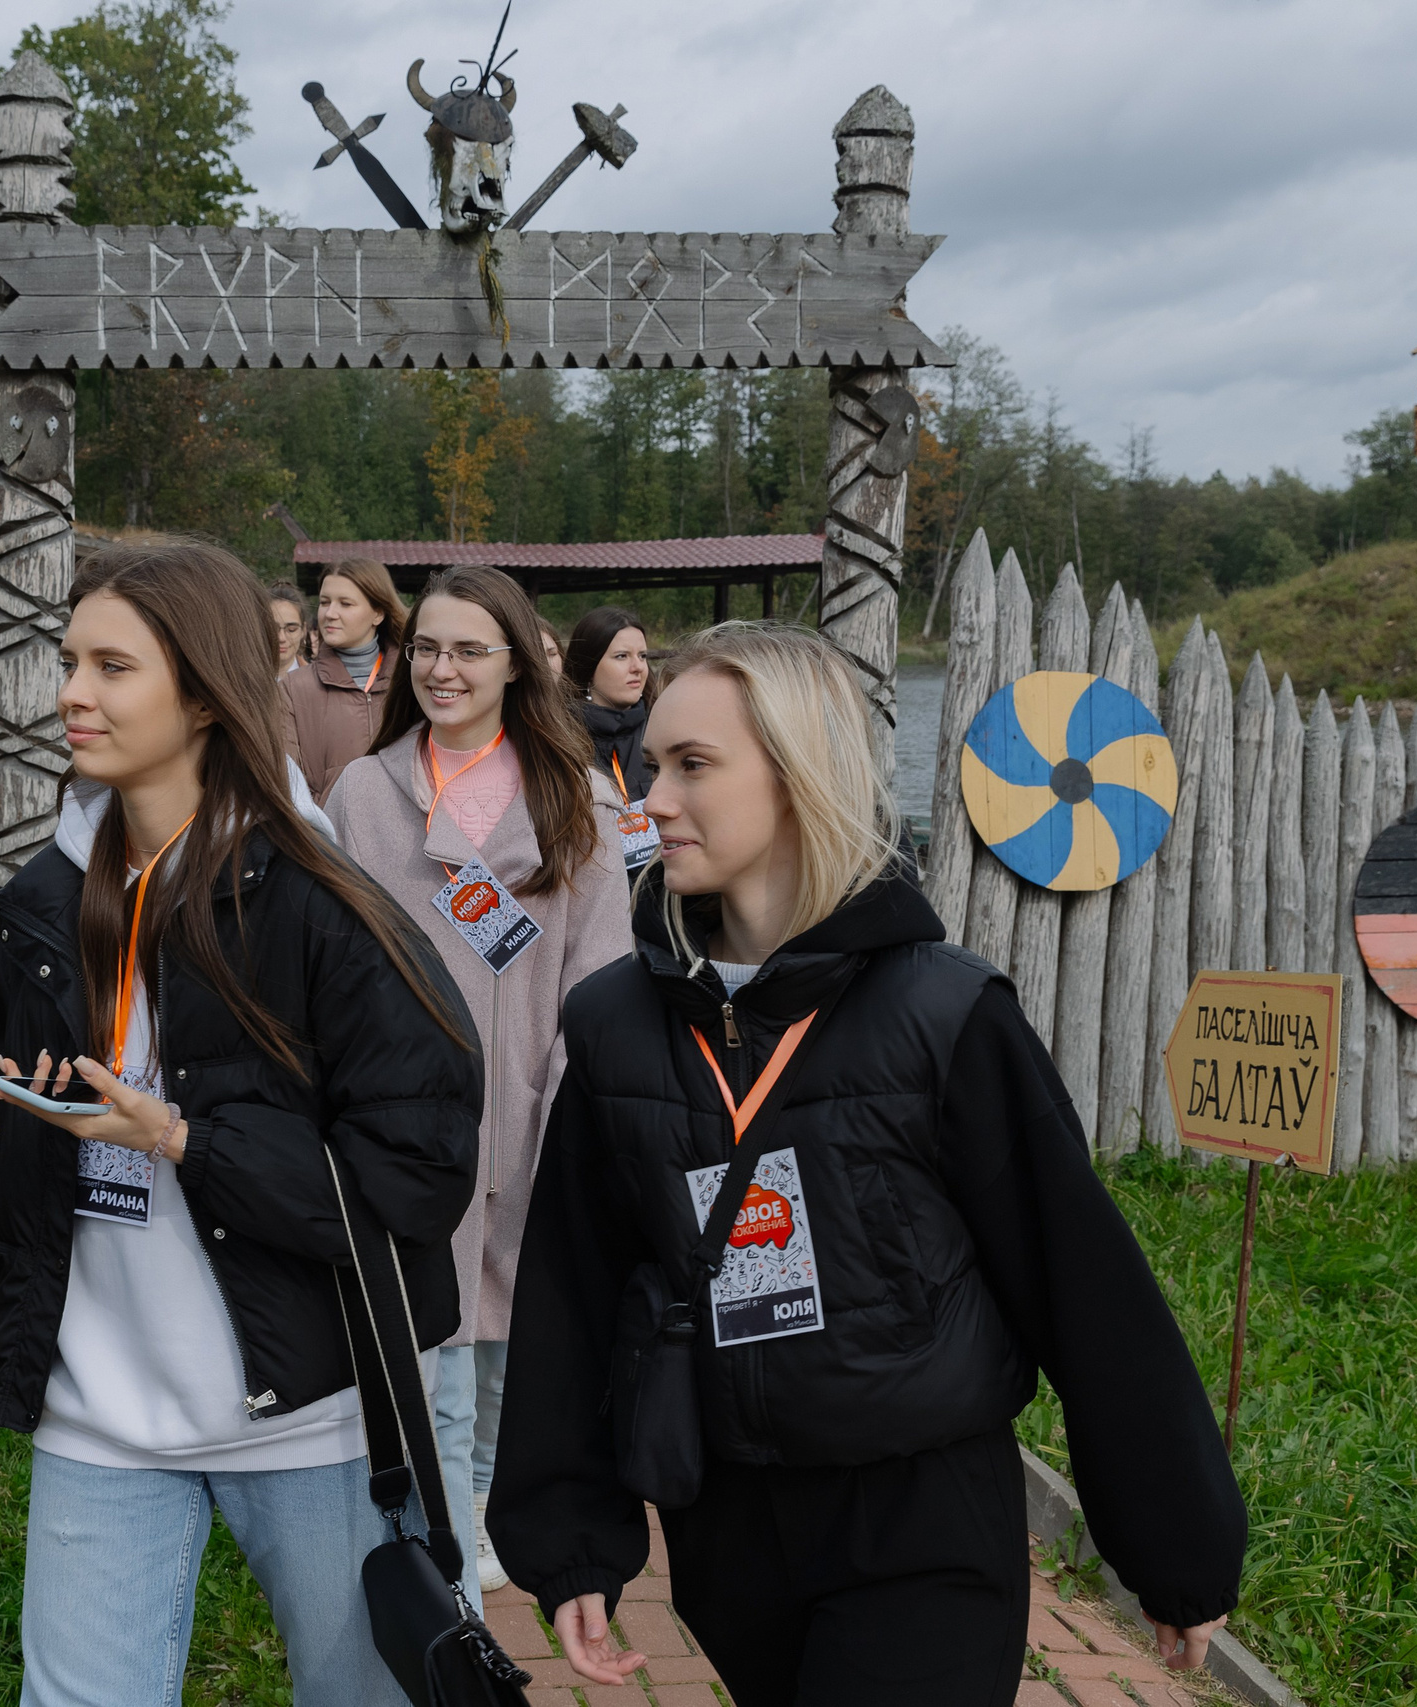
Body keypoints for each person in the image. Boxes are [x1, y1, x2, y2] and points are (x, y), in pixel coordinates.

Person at [0, 539, 484, 1707]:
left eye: (112, 666)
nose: (71, 692)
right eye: (70, 661)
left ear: (205, 693)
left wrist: (185, 1141)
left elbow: (413, 1180)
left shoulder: (325, 907)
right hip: (100, 1424)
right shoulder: (50, 898)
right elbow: (36, 1145)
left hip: (314, 1428)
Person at [489, 622, 1246, 1707]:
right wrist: (567, 1534)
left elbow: (1079, 1283)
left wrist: (1174, 1545)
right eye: (653, 765)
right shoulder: (613, 1022)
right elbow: (576, 1285)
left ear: (798, 775)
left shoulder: (944, 1013)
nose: (649, 799)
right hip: (727, 1527)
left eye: (693, 765)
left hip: (921, 1522)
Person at [324, 563, 633, 1608]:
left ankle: (494, 1517)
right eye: (428, 649)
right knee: (437, 1353)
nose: (444, 669)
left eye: (469, 649)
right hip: (409, 1129)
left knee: (516, 1346)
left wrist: (568, 1097)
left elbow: (602, 967)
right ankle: (447, 1571)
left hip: (542, 1111)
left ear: (516, 662)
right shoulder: (365, 797)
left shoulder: (574, 796)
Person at [281, 558, 406, 799]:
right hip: (324, 835)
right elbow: (284, 783)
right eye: (324, 602)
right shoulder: (293, 688)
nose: (330, 614)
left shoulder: (410, 682)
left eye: (345, 604)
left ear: (378, 613)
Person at [564, 605, 653, 799]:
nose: (638, 667)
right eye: (622, 656)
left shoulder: (661, 732)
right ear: (589, 666)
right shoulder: (560, 740)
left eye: (642, 656)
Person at [265, 581, 309, 676]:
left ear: (303, 631)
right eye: (273, 629)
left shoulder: (317, 683)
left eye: (291, 629)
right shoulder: (242, 680)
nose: (281, 638)